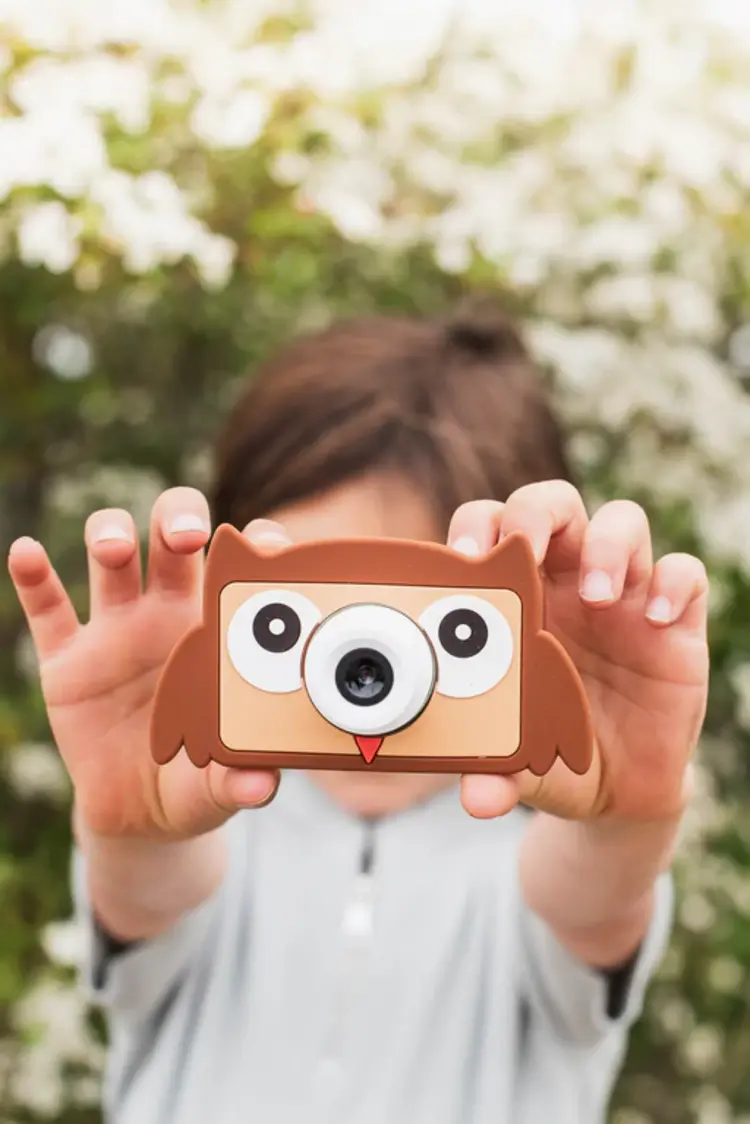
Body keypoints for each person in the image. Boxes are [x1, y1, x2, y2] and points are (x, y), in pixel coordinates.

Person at [7, 305, 709, 1124]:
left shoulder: (532, 855)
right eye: (311, 608)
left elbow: (593, 896)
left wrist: (625, 814)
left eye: (416, 616)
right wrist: (128, 830)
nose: (357, 669)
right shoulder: (203, 819)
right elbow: (150, 889)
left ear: (528, 613)